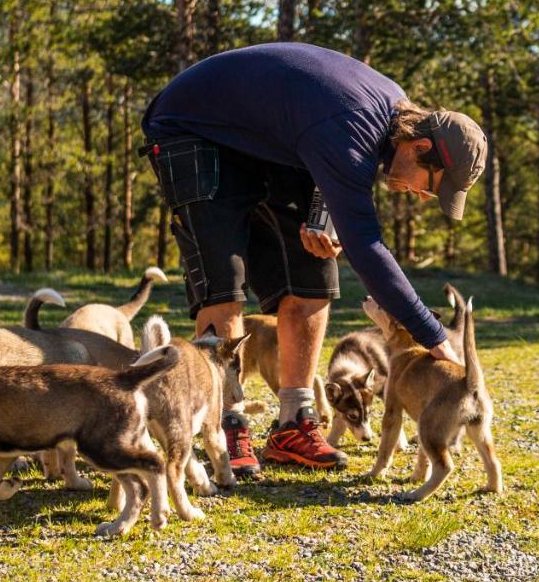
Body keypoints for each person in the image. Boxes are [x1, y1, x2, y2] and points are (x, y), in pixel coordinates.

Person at [140, 42, 486, 476]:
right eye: (431, 185)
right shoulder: (353, 129)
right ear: (417, 147)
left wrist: (326, 218)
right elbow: (368, 248)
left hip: (268, 142)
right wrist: (435, 336)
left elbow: (314, 137)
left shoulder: (383, 121)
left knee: (314, 273)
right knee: (224, 283)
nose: (422, 196)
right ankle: (226, 424)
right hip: (191, 129)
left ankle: (294, 424)